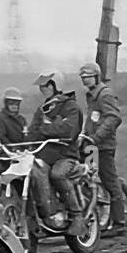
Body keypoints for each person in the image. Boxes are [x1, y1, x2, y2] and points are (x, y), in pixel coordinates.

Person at [28, 70, 85, 240]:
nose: (43, 89)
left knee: (58, 174)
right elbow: (32, 132)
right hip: (45, 154)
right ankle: (48, 212)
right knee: (33, 172)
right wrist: (46, 130)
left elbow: (69, 130)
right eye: (41, 86)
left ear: (56, 85)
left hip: (66, 154)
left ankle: (77, 215)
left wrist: (45, 129)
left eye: (46, 85)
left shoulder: (70, 106)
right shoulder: (42, 110)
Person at [78, 61, 126, 232]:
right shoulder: (91, 95)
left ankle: (119, 222)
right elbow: (92, 119)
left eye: (89, 77)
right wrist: (84, 136)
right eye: (83, 77)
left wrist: (96, 137)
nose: (85, 80)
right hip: (92, 145)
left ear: (97, 77)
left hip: (103, 146)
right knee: (87, 176)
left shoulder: (104, 94)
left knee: (109, 180)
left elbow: (114, 118)